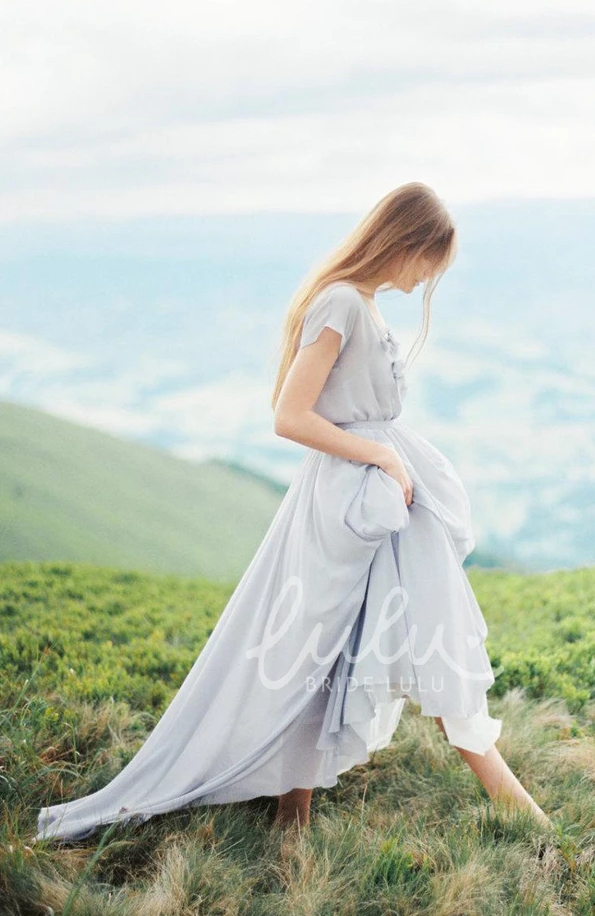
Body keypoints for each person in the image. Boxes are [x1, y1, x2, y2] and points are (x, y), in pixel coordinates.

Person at [34, 182, 550, 843]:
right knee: (333, 645)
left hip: (375, 502)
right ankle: (519, 819)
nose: (426, 282)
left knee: (354, 644)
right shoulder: (341, 303)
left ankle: (295, 812)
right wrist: (383, 459)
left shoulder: (362, 304)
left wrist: (390, 464)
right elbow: (289, 415)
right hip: (352, 499)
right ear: (406, 242)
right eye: (429, 264)